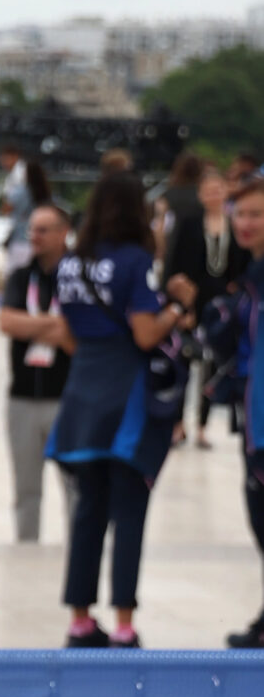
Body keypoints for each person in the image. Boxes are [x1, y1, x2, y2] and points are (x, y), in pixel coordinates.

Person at [46, 171, 192, 648]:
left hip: (82, 393)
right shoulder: (133, 261)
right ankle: (125, 623)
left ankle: (80, 619)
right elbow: (147, 333)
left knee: (88, 510)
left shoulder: (71, 262)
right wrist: (176, 306)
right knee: (130, 509)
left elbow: (65, 334)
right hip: (125, 398)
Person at [200, 177, 264, 646]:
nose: (245, 223)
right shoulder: (250, 273)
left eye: (256, 214)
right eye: (240, 213)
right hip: (254, 413)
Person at [0, 202, 74, 538]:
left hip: (67, 398)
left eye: (43, 230)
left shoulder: (77, 275)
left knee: (75, 486)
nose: (35, 236)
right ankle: (26, 551)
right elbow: (7, 321)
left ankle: (79, 553)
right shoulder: (21, 276)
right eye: (32, 230)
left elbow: (76, 337)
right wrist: (53, 324)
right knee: (26, 488)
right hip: (23, 397)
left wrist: (33, 325)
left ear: (63, 233)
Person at [166, 164, 238, 447]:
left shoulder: (233, 224)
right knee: (184, 360)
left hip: (222, 302)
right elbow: (176, 264)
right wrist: (180, 304)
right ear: (200, 194)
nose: (214, 195)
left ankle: (203, 425)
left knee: (212, 364)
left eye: (218, 190)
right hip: (192, 299)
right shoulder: (189, 223)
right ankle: (178, 422)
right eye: (209, 191)